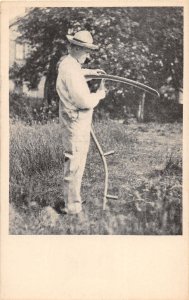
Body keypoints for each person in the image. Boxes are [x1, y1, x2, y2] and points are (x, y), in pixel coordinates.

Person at [55, 30, 107, 215]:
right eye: (86, 50)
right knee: (75, 162)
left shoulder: (68, 64)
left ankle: (72, 200)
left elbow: (78, 74)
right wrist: (99, 95)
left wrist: (91, 72)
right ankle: (72, 207)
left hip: (73, 120)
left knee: (75, 161)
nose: (88, 54)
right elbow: (84, 101)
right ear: (76, 48)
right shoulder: (71, 69)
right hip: (75, 120)